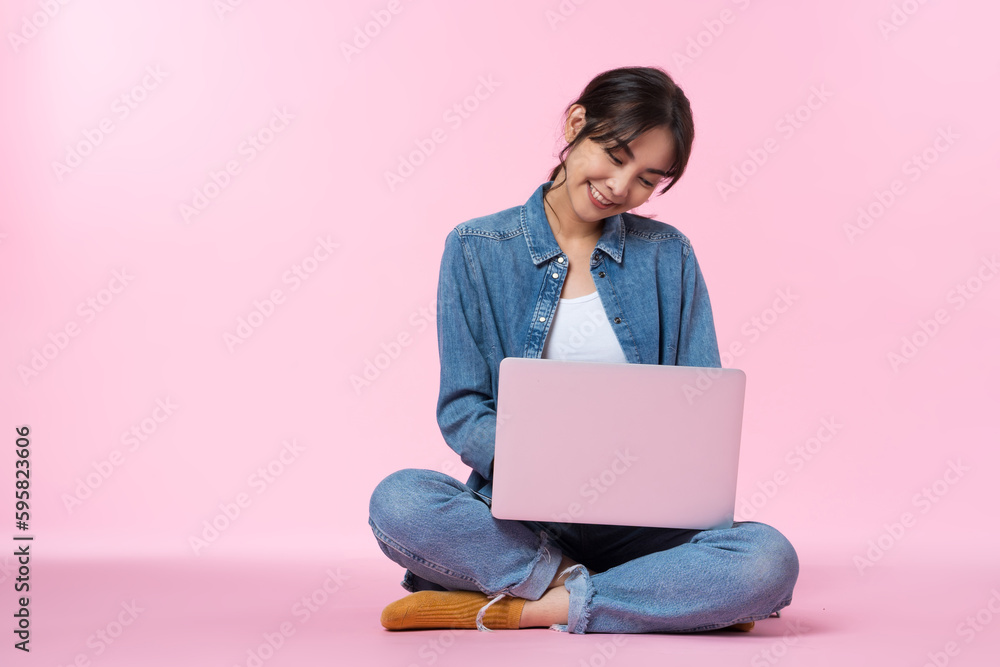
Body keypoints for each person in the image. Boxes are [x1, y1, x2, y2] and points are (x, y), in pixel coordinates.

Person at [367, 66, 799, 634]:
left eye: (648, 178)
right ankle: (651, 598)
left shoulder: (669, 256)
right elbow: (464, 409)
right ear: (577, 124)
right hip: (525, 520)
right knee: (399, 501)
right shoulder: (476, 249)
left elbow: (701, 402)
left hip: (645, 527)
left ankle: (531, 604)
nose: (622, 187)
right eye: (615, 156)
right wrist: (545, 466)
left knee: (770, 558)